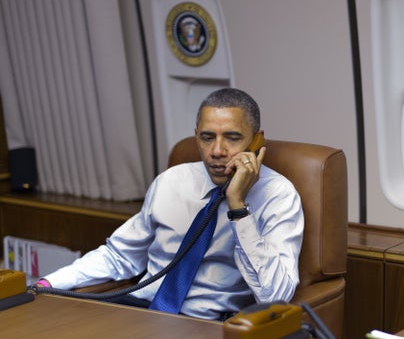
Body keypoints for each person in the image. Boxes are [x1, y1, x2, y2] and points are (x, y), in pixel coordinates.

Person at [36, 88, 303, 321]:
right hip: (141, 310)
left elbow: (276, 296)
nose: (217, 151)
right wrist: (48, 283)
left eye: (232, 138)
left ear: (257, 140)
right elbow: (120, 256)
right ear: (196, 135)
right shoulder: (171, 181)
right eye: (207, 137)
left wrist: (238, 207)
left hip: (208, 324)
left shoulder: (278, 196)